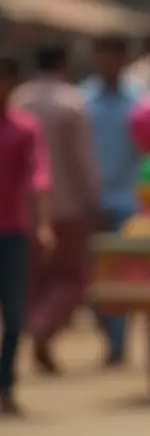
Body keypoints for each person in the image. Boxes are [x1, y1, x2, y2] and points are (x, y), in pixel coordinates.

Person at [11, 44, 101, 376]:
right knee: (72, 276)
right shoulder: (72, 103)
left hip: (24, 207)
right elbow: (81, 159)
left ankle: (34, 331)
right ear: (63, 64)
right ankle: (43, 326)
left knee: (34, 278)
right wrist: (93, 199)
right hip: (66, 207)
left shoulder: (19, 100)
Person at [82, 35, 143, 366]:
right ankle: (107, 329)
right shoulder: (82, 101)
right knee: (90, 277)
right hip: (90, 200)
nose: (107, 63)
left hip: (129, 200)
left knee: (121, 275)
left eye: (113, 56)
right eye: (102, 56)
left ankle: (118, 342)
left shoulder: (139, 101)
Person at [0, 55, 54, 416]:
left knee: (16, 316)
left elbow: (39, 174)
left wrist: (44, 223)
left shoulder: (24, 128)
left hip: (13, 234)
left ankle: (5, 384)